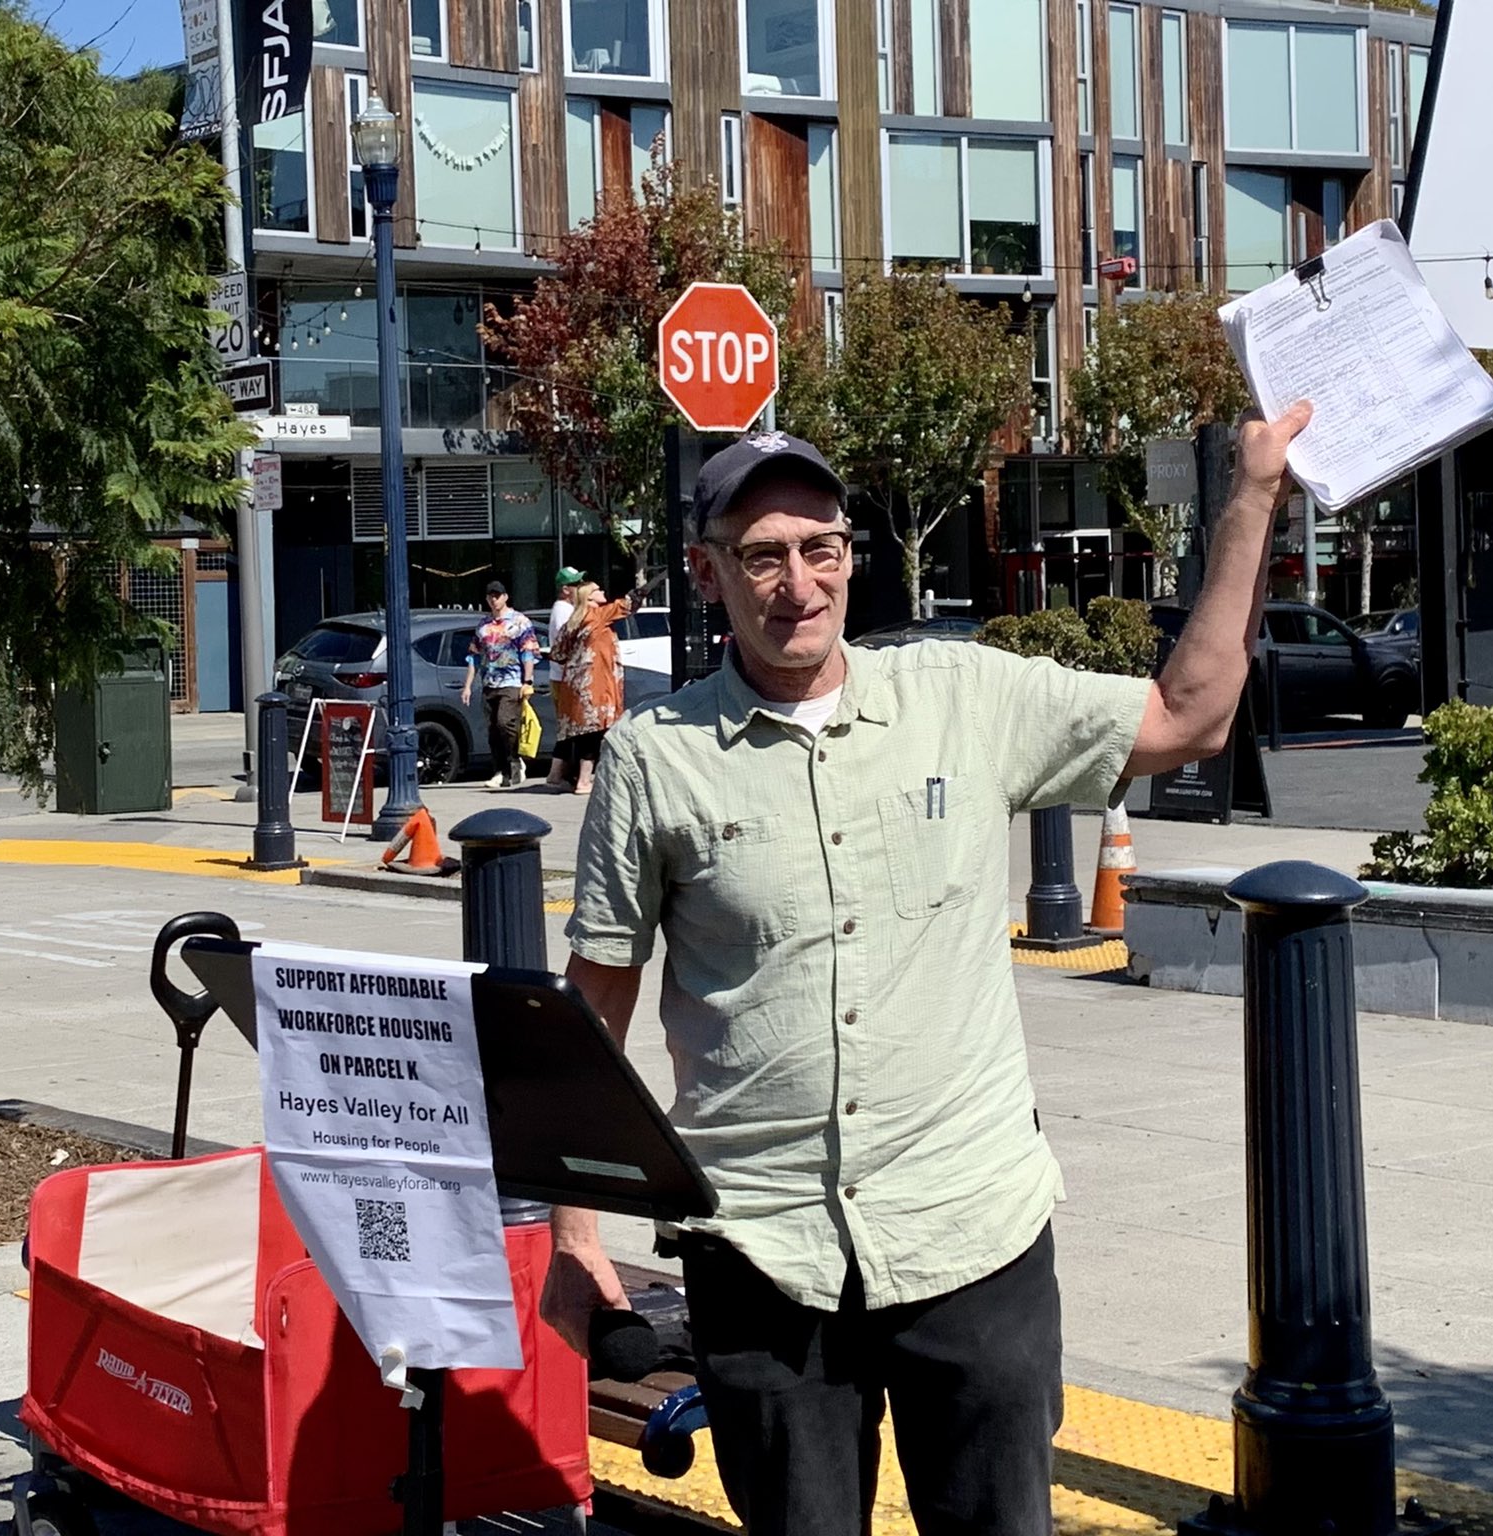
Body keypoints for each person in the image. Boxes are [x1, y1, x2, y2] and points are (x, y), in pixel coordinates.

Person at [541, 413, 1311, 1536]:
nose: (796, 583)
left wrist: (1247, 500)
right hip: (762, 1249)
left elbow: (1186, 717)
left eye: (819, 548)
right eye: (761, 555)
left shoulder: (963, 697)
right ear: (709, 574)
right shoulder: (657, 761)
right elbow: (589, 1020)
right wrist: (570, 1239)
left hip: (968, 1231)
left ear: (849, 556)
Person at [547, 573, 643, 796]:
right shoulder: (598, 615)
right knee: (594, 732)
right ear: (589, 598)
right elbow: (627, 605)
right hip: (596, 685)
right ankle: (584, 781)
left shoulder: (573, 620)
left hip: (572, 685)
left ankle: (555, 775)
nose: (603, 593)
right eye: (598, 590)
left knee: (571, 732)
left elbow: (558, 653)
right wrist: (641, 590)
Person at [460, 579, 540, 789]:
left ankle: (514, 760)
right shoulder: (483, 626)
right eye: (490, 596)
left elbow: (528, 652)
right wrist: (468, 685)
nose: (494, 600)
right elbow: (474, 657)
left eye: (497, 595)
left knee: (506, 722)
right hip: (489, 682)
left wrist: (527, 681)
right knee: (493, 728)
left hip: (512, 681)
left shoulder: (520, 622)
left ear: (505, 597)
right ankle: (501, 770)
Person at [543, 567, 588, 788]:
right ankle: (560, 773)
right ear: (565, 589)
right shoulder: (563, 610)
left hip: (563, 676)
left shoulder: (565, 608)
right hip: (564, 677)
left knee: (568, 728)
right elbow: (567, 641)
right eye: (576, 584)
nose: (580, 587)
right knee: (570, 728)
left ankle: (560, 772)